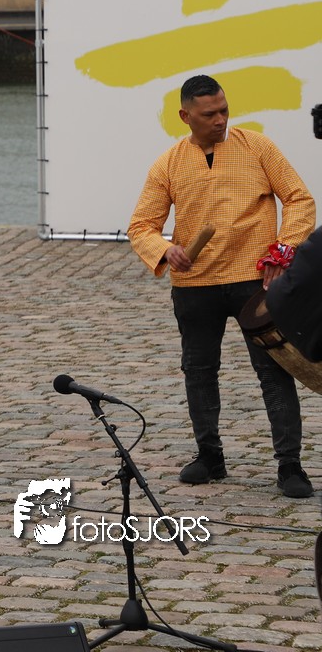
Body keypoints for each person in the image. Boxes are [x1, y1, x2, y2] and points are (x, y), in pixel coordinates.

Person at [127, 74, 316, 498]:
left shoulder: (258, 147)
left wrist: (283, 251)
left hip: (256, 280)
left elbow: (299, 199)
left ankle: (290, 465)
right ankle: (209, 456)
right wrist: (166, 249)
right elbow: (141, 225)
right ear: (185, 116)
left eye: (224, 110)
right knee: (199, 370)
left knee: (274, 371)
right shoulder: (168, 163)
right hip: (195, 284)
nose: (220, 120)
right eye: (209, 114)